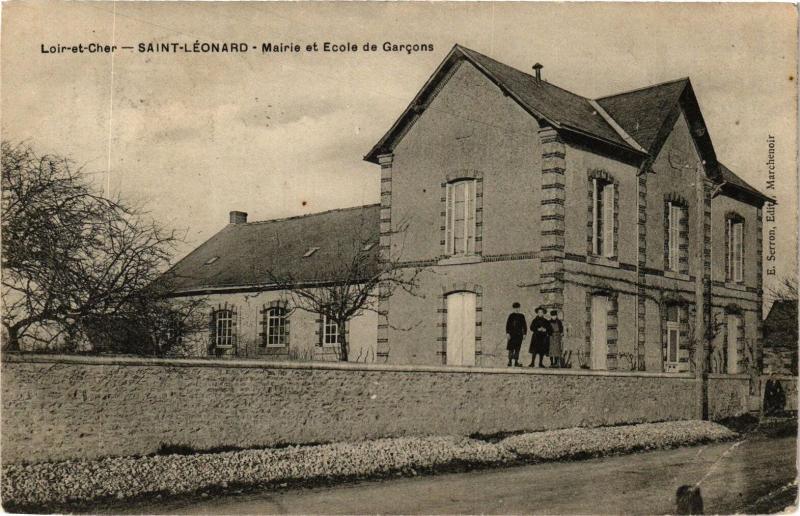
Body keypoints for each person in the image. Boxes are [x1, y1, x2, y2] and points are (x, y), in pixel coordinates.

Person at [505, 302, 527, 367]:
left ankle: (516, 362)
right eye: (515, 308)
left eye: (518, 308)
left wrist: (524, 334)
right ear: (513, 309)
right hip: (512, 335)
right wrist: (507, 333)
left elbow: (524, 326)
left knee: (517, 349)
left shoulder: (522, 316)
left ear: (519, 308)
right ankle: (510, 362)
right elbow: (507, 325)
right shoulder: (511, 316)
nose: (516, 309)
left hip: (519, 335)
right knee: (511, 348)